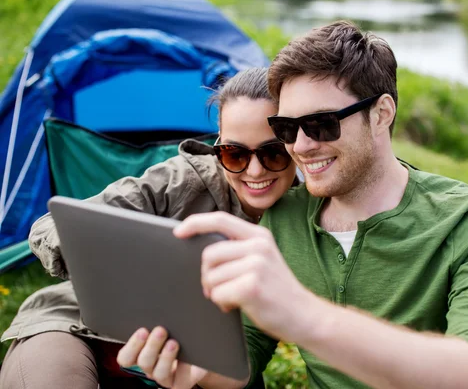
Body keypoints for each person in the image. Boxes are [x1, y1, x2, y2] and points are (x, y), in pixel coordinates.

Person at [118, 21, 468, 389]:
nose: (301, 145)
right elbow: (246, 355)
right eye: (287, 128)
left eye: (321, 124)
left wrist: (308, 317)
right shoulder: (284, 218)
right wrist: (199, 371)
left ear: (382, 114)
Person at [0, 67, 297, 389]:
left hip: (203, 363)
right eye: (234, 153)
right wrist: (109, 261)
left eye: (273, 152)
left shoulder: (310, 217)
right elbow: (51, 226)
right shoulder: (180, 180)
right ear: (217, 144)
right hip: (78, 323)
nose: (254, 170)